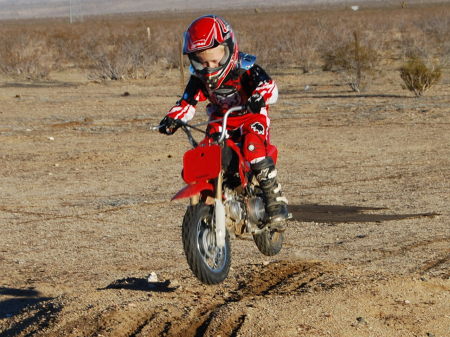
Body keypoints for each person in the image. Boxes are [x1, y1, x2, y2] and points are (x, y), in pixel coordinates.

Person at [158, 14, 289, 226]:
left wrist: (258, 97)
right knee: (205, 153)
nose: (209, 67)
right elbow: (187, 103)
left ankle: (274, 199)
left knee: (253, 148)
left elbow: (269, 87)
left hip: (250, 117)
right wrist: (172, 118)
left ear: (229, 49)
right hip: (221, 121)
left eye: (215, 60)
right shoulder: (199, 79)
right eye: (202, 62)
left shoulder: (245, 68)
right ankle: (216, 197)